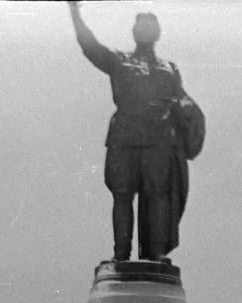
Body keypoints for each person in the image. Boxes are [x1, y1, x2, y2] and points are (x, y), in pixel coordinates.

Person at [67, 1, 199, 264]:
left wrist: (184, 107)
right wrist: (74, 12)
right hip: (124, 138)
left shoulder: (169, 68)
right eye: (141, 25)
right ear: (134, 32)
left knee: (158, 195)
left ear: (158, 33)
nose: (146, 30)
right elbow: (89, 46)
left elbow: (183, 99)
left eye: (151, 26)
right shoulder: (119, 61)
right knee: (122, 196)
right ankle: (121, 256)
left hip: (159, 140)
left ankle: (156, 255)